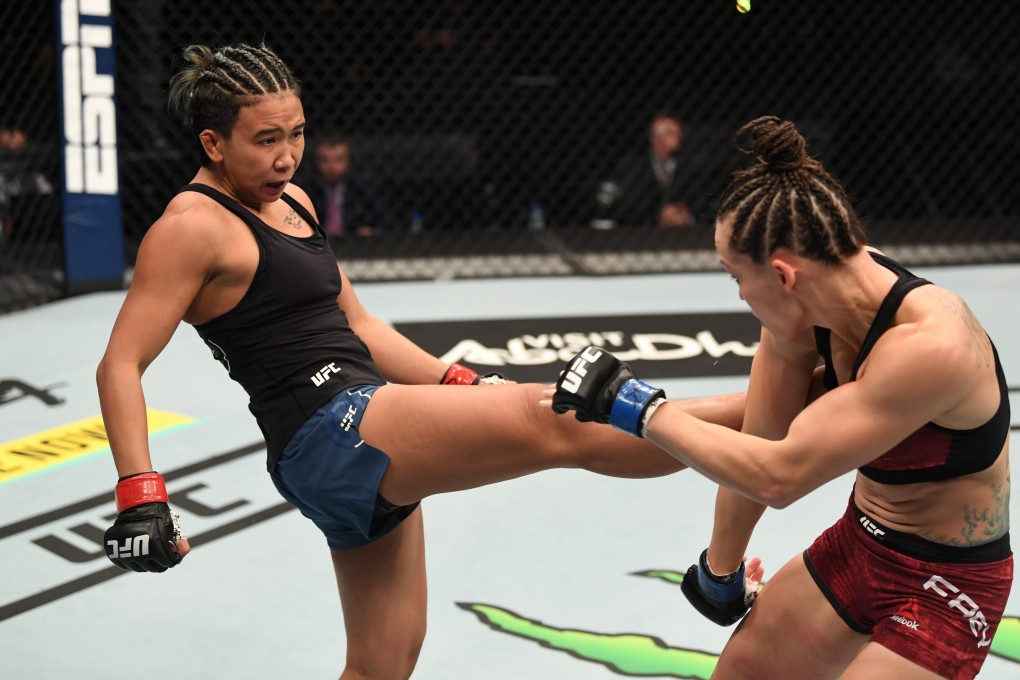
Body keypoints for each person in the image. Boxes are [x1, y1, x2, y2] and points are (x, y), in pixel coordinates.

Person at [94, 43, 756, 680]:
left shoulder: (293, 200)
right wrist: (139, 494)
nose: (288, 155)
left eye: (296, 133)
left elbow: (356, 323)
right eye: (266, 140)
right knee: (562, 419)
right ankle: (773, 413)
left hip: (355, 430)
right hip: (330, 431)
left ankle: (771, 414)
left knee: (384, 664)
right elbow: (120, 363)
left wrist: (456, 381)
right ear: (213, 144)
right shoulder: (190, 227)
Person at [546, 116, 1012, 679]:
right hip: (858, 546)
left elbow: (778, 476)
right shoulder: (807, 310)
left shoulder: (930, 346)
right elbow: (760, 437)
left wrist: (634, 405)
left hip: (947, 587)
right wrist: (720, 572)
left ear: (782, 275)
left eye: (734, 277)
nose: (740, 295)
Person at [594, 110, 697, 229]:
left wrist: (686, 217)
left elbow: (700, 199)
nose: (678, 137)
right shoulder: (633, 167)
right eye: (670, 133)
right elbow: (626, 204)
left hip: (686, 231)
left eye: (678, 133)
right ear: (655, 139)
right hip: (642, 233)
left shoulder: (692, 165)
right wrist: (658, 217)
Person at [299, 130, 388, 238]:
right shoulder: (306, 188)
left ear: (348, 160)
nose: (332, 167)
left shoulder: (364, 187)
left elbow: (381, 220)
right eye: (325, 160)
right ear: (316, 162)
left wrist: (369, 230)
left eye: (338, 160)